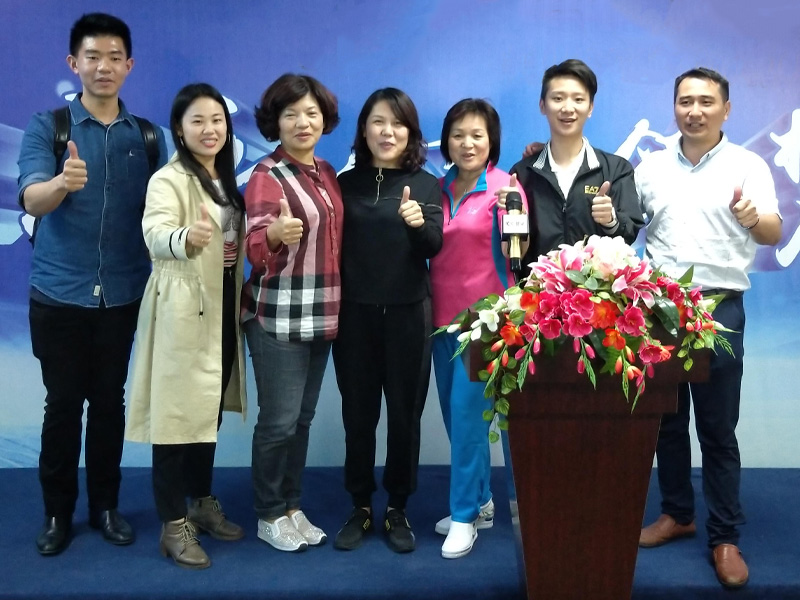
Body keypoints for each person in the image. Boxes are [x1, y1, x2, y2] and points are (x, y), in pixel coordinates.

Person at [16, 12, 167, 556]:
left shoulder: (148, 136)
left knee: (109, 405)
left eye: (114, 57)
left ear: (129, 66)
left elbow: (167, 206)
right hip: (58, 293)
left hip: (123, 293)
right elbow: (31, 198)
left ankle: (106, 506)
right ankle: (58, 513)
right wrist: (61, 182)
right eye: (92, 57)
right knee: (62, 406)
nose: (103, 66)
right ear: (73, 63)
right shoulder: (48, 127)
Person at [636, 67, 782, 589]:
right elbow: (626, 226)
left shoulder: (748, 165)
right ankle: (678, 513)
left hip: (720, 307)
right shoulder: (650, 168)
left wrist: (752, 217)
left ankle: (724, 536)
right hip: (658, 308)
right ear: (674, 106)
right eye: (684, 101)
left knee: (717, 429)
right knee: (666, 422)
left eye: (705, 101)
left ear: (726, 109)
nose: (694, 111)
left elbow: (773, 232)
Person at [125, 83, 247, 569]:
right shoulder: (167, 179)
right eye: (197, 120)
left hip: (221, 305)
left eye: (217, 120)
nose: (209, 129)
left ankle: (200, 500)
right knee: (175, 419)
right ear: (179, 129)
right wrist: (184, 237)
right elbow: (154, 233)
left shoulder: (225, 178)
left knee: (206, 411)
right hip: (181, 306)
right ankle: (173, 525)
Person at [331, 88, 443, 553]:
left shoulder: (427, 184)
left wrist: (417, 224)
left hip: (408, 314)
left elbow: (433, 245)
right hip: (354, 316)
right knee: (358, 416)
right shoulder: (344, 182)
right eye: (378, 122)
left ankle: (398, 507)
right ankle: (360, 505)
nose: (387, 132)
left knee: (404, 416)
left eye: (397, 124)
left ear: (411, 133)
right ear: (364, 129)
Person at [242, 73, 342, 553]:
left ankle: (292, 505)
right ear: (275, 122)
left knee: (301, 420)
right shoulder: (267, 175)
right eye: (291, 114)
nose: (303, 122)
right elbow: (254, 246)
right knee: (278, 422)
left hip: (322, 312)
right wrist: (276, 234)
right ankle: (268, 513)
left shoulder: (326, 170)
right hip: (277, 314)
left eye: (311, 113)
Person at [430, 98, 527, 559]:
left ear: (492, 141)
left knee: (469, 419)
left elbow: (518, 254)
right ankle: (482, 500)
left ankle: (464, 516)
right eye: (458, 135)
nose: (467, 144)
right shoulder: (436, 187)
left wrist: (513, 224)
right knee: (455, 419)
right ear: (446, 141)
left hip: (485, 324)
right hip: (439, 322)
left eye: (477, 135)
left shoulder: (507, 188)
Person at [500, 59, 643, 266]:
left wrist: (611, 220)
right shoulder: (523, 173)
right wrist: (515, 216)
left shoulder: (616, 169)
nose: (568, 108)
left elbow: (630, 232)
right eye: (558, 98)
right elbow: (515, 251)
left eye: (578, 99)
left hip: (597, 287)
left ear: (590, 107)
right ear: (542, 105)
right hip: (538, 285)